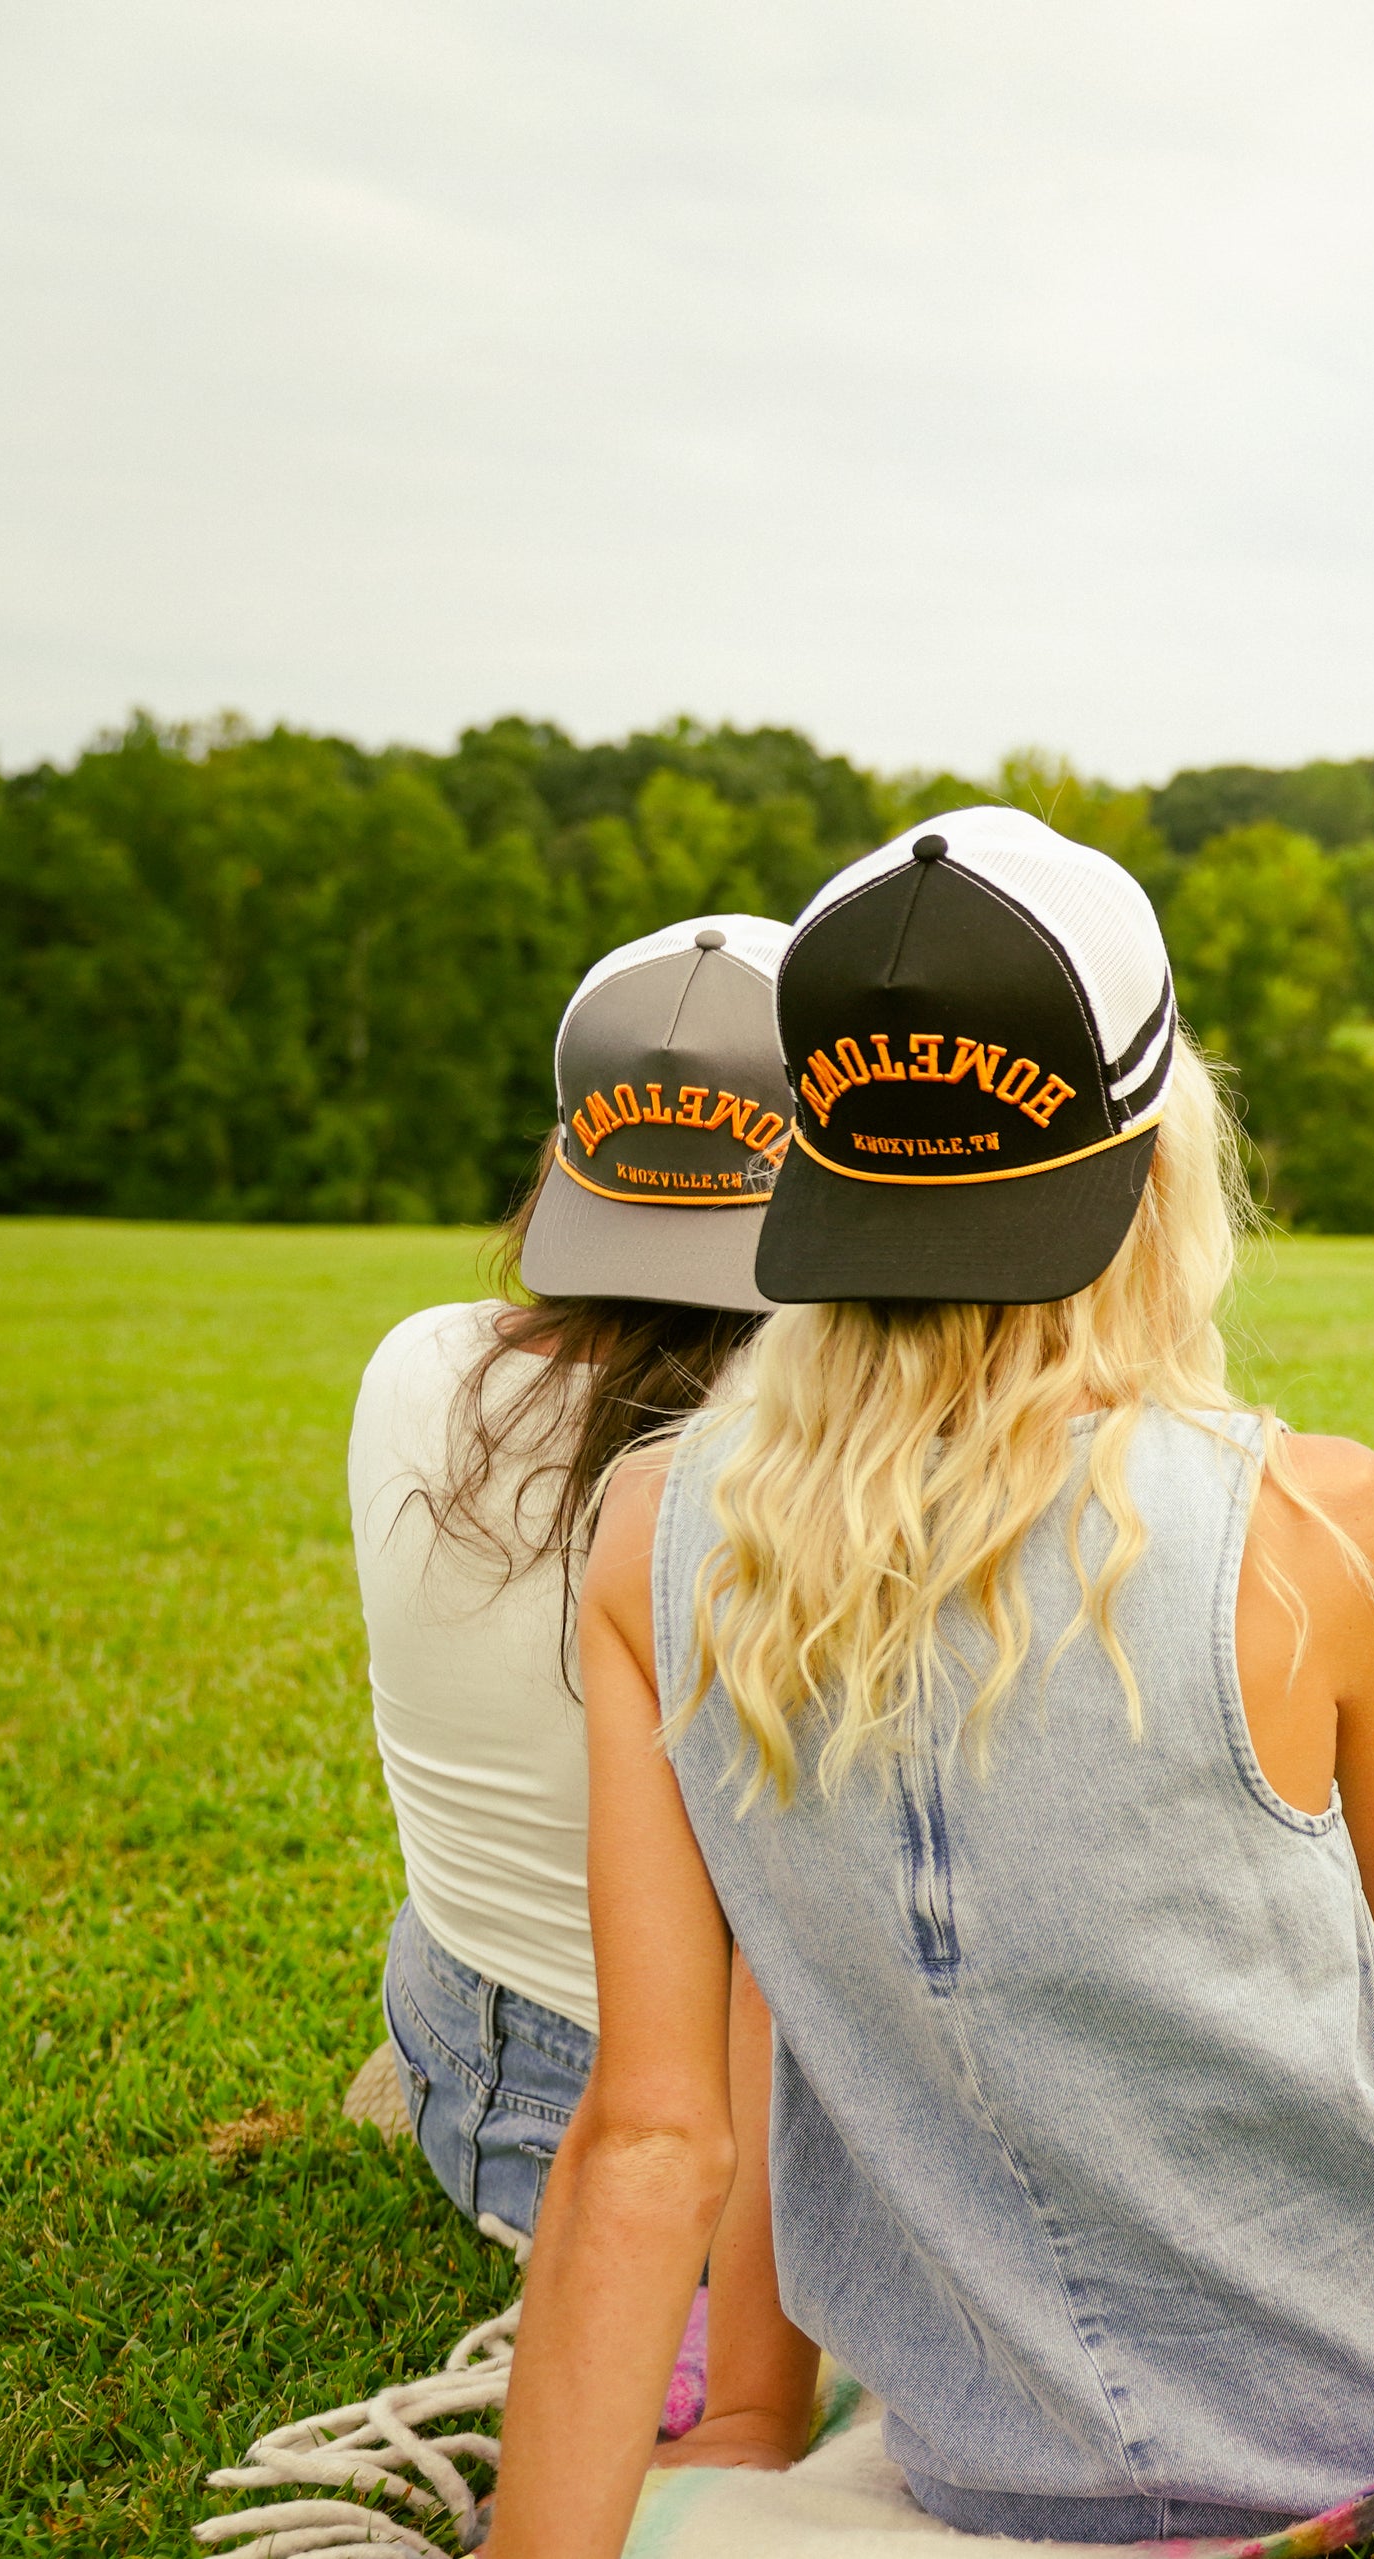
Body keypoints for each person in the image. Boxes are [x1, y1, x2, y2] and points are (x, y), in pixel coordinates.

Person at [493, 811, 1374, 2552]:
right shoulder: (1316, 1514)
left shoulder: (649, 1535)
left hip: (984, 2448)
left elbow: (649, 2135)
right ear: (1156, 1160)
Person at [349, 915, 794, 2235]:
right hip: (730, 2151)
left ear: (567, 1148)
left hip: (480, 2084)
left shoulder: (414, 1359)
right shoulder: (825, 1438)